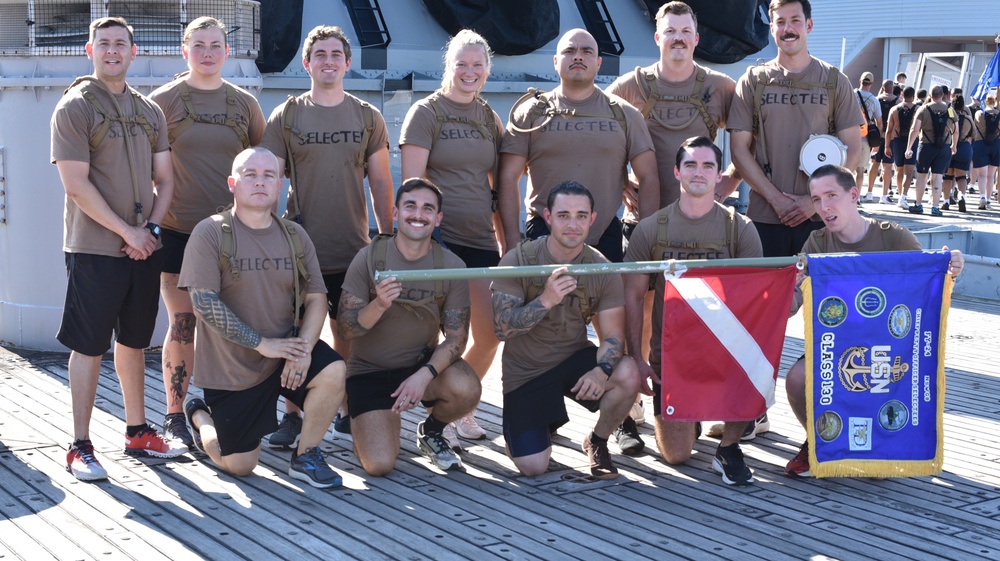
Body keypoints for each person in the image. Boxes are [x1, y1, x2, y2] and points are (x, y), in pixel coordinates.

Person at [52, 17, 184, 481]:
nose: (112, 51)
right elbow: (75, 185)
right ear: (90, 51)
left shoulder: (149, 110)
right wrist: (128, 234)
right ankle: (80, 445)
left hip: (144, 246)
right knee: (88, 346)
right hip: (94, 249)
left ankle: (137, 432)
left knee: (133, 341)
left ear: (133, 51)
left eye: (120, 44)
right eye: (103, 44)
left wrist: (148, 229)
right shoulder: (75, 106)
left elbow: (165, 180)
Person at [605, 0, 741, 448]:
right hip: (644, 221)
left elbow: (746, 146)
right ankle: (630, 402)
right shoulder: (632, 86)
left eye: (686, 31)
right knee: (639, 311)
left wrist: (728, 184)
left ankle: (711, 399)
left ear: (696, 39)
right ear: (657, 37)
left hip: (700, 224)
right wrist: (620, 179)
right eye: (670, 31)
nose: (678, 38)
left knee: (701, 313)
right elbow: (601, 136)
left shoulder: (720, 87)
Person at [180, 147, 347, 488]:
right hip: (233, 370)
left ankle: (306, 454)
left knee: (334, 370)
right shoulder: (210, 233)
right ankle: (200, 417)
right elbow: (203, 303)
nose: (260, 181)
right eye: (250, 174)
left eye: (269, 175)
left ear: (281, 185)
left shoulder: (295, 236)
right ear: (232, 183)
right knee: (239, 465)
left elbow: (317, 297)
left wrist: (302, 350)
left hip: (284, 355)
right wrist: (261, 344)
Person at [783, 164, 964, 478]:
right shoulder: (816, 244)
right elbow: (792, 305)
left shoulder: (894, 236)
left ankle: (880, 448)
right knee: (796, 378)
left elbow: (927, 285)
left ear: (853, 195)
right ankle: (817, 439)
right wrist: (786, 286)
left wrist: (952, 269)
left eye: (831, 196)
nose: (824, 207)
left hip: (890, 346)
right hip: (836, 345)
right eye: (815, 199)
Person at [261, 25, 394, 445]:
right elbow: (267, 181)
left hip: (352, 250)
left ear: (348, 63)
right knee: (298, 334)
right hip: (299, 251)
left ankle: (346, 407)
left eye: (336, 54)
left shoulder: (366, 116)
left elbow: (381, 183)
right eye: (320, 54)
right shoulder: (287, 116)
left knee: (348, 331)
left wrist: (388, 237)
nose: (329, 61)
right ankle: (293, 413)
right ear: (307, 63)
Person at [149, 16, 266, 448]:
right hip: (179, 231)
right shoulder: (163, 101)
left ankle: (234, 405)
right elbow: (143, 166)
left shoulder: (244, 104)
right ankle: (175, 416)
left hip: (232, 234)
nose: (208, 52)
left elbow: (262, 164)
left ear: (226, 52)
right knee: (182, 323)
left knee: (236, 323)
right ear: (185, 51)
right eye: (199, 44)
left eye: (216, 44)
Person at [623, 137, 763, 485]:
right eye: (690, 165)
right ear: (677, 172)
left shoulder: (740, 229)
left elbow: (759, 299)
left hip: (725, 353)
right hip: (671, 357)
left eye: (707, 166)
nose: (698, 172)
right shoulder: (651, 228)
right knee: (677, 455)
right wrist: (638, 360)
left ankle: (730, 446)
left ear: (719, 176)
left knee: (758, 364)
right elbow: (633, 297)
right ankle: (693, 417)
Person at [492, 181, 641, 479]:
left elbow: (613, 336)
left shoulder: (601, 268)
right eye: (563, 215)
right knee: (533, 467)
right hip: (526, 371)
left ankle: (597, 441)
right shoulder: (519, 260)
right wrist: (546, 299)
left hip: (571, 359)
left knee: (627, 373)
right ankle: (543, 422)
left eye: (581, 216)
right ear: (547, 217)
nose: (572, 224)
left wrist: (601, 371)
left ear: (592, 219)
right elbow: (502, 330)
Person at [336, 178, 480, 475]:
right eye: (410, 206)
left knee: (466, 388)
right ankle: (370, 421)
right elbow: (345, 330)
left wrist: (423, 375)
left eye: (428, 208)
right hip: (370, 371)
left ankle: (432, 431)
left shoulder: (452, 266)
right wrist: (378, 304)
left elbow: (456, 338)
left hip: (420, 367)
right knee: (378, 465)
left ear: (438, 218)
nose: (419, 214)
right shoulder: (369, 258)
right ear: (395, 212)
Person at [399, 29, 502, 444]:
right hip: (438, 242)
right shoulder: (426, 112)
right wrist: (412, 244)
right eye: (462, 64)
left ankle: (461, 406)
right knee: (441, 336)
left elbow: (498, 186)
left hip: (479, 239)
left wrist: (505, 240)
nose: (470, 71)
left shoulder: (489, 118)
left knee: (489, 335)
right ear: (449, 67)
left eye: (478, 65)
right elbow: (411, 185)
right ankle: (425, 405)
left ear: (487, 70)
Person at [497, 28, 658, 263]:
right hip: (542, 236)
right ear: (555, 61)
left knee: (607, 301)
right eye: (569, 51)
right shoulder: (529, 114)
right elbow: (507, 178)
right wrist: (511, 243)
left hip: (604, 238)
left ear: (599, 62)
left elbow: (649, 177)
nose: (578, 56)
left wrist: (646, 242)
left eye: (587, 51)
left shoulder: (625, 115)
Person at [728, 0, 863, 258]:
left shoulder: (835, 81)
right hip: (765, 218)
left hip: (822, 218)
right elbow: (739, 150)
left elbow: (853, 152)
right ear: (771, 28)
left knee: (820, 296)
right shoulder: (753, 81)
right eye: (780, 22)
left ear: (809, 25)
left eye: (795, 21)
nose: (788, 28)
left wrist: (814, 203)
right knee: (767, 296)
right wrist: (776, 200)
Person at [903, 85, 957, 216]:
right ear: (943, 95)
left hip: (926, 146)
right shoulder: (950, 110)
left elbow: (915, 129)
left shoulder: (923, 109)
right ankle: (935, 207)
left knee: (922, 176)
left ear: (930, 96)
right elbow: (955, 130)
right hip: (944, 147)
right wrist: (954, 145)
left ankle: (918, 204)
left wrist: (909, 147)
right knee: (938, 176)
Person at [883, 87, 919, 210]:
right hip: (912, 142)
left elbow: (888, 130)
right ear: (913, 96)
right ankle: (903, 196)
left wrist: (887, 146)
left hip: (897, 141)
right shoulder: (918, 109)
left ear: (902, 95)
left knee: (899, 170)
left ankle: (900, 194)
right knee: (909, 172)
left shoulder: (894, 109)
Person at [866, 79, 898, 203]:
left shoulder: (876, 99)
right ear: (893, 88)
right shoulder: (898, 102)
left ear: (883, 87)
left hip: (876, 137)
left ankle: (869, 192)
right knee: (887, 166)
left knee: (874, 164)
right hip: (891, 137)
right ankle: (884, 195)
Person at [941, 95, 975, 213]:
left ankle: (946, 201)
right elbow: (973, 134)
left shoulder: (948, 115)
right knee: (961, 176)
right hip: (964, 148)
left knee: (947, 176)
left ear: (952, 105)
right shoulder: (968, 118)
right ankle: (962, 196)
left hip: (949, 147)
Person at [855, 72, 883, 198]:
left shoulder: (851, 94)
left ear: (860, 81)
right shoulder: (874, 100)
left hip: (847, 135)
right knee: (860, 170)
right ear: (871, 84)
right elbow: (880, 123)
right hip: (865, 138)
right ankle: (857, 197)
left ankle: (844, 197)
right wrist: (877, 143)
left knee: (846, 170)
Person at [972, 93, 999, 210]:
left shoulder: (979, 113)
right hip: (996, 144)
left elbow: (974, 127)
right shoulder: (999, 114)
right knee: (991, 175)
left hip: (980, 143)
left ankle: (982, 197)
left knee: (981, 175)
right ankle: (988, 200)